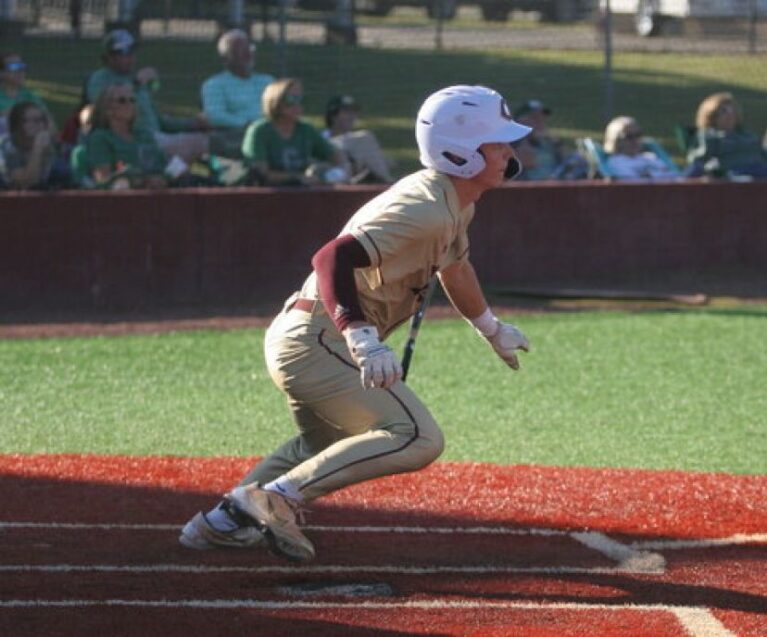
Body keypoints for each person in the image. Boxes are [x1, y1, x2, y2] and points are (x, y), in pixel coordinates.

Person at [178, 85, 532, 563]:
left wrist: (490, 327)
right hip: (318, 340)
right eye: (498, 141)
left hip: (308, 337)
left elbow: (457, 269)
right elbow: (332, 257)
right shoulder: (426, 207)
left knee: (320, 445)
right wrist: (362, 340)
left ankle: (219, 524)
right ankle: (275, 499)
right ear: (462, 151)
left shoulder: (453, 201)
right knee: (418, 437)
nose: (509, 151)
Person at [85, 29, 210, 164]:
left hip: (154, 138)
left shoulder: (135, 81)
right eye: (125, 53)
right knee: (197, 144)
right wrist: (137, 83)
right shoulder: (100, 79)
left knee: (204, 139)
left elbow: (160, 121)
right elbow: (104, 106)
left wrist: (192, 124)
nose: (131, 57)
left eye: (132, 51)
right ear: (109, 57)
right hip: (133, 141)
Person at [241, 78, 347, 186]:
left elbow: (336, 156)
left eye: (300, 99)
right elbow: (260, 173)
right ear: (276, 102)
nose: (298, 105)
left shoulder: (306, 130)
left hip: (302, 192)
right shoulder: (259, 131)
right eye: (291, 99)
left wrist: (337, 173)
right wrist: (298, 178)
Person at [201, 29, 274, 158]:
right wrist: (247, 124)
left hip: (273, 134)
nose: (248, 54)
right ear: (226, 58)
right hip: (237, 137)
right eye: (240, 50)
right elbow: (214, 116)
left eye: (249, 48)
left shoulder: (267, 81)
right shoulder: (215, 85)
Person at [83, 84, 167, 189]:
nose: (129, 104)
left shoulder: (145, 136)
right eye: (122, 100)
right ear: (108, 109)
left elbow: (162, 166)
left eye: (132, 100)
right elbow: (102, 179)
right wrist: (135, 178)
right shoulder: (100, 138)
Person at [686, 92, 767, 180]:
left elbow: (762, 155)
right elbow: (698, 161)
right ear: (711, 115)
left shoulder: (747, 136)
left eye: (733, 110)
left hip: (759, 172)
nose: (730, 114)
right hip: (730, 175)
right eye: (724, 110)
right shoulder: (709, 137)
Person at [323, 94, 395, 184]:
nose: (351, 116)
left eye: (353, 112)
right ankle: (388, 184)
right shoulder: (322, 139)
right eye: (346, 112)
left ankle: (387, 183)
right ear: (333, 115)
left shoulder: (358, 141)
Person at [0, 101, 71, 190]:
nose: (33, 125)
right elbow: (25, 183)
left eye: (38, 120)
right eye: (26, 121)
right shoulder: (7, 147)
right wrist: (37, 149)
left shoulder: (51, 145)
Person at [512, 99, 586, 181]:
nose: (540, 122)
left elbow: (566, 158)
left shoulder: (549, 142)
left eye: (542, 118)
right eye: (535, 118)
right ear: (520, 121)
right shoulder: (514, 143)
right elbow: (528, 161)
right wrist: (524, 137)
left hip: (556, 184)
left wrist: (557, 144)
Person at [603, 116, 679, 181]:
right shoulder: (616, 163)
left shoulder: (649, 157)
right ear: (615, 140)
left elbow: (674, 175)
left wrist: (650, 175)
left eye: (638, 135)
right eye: (629, 137)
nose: (635, 140)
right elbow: (634, 184)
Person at [0, 52, 56, 137]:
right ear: (2, 73)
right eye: (14, 67)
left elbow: (50, 124)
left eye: (22, 67)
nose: (20, 72)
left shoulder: (30, 96)